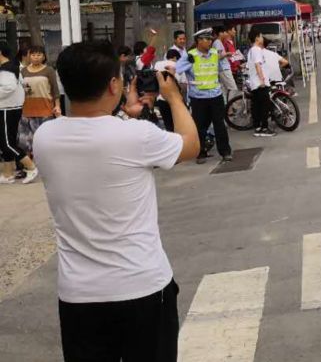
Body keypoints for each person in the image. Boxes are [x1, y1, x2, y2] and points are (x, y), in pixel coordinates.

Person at [33, 40, 200, 361]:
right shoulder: (136, 135)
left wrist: (124, 111)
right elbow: (190, 145)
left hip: (78, 295)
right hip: (142, 287)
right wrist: (174, 98)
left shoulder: (45, 138)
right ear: (113, 85)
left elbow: (93, 131)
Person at [175, 28, 232, 164]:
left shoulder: (213, 53)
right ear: (199, 41)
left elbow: (216, 69)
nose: (210, 42)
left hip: (215, 95)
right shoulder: (190, 56)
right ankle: (200, 152)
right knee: (200, 126)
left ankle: (225, 152)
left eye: (210, 39)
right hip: (199, 98)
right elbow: (176, 69)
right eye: (207, 39)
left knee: (220, 125)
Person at [0, 43, 37, 184]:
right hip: (11, 108)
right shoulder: (13, 67)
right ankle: (8, 174)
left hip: (6, 109)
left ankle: (31, 167)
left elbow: (8, 88)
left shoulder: (6, 69)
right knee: (6, 142)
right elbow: (22, 87)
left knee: (7, 143)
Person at [20, 44, 61, 159]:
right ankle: (30, 166)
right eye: (33, 54)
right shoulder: (23, 71)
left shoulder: (49, 70)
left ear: (43, 56)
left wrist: (57, 106)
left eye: (39, 54)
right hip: (27, 110)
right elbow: (20, 89)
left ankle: (45, 163)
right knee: (25, 142)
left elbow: (55, 91)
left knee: (45, 140)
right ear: (29, 56)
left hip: (45, 110)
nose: (36, 57)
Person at [246, 30, 276, 138]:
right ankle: (264, 128)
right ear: (257, 38)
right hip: (259, 83)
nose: (262, 38)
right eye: (261, 36)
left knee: (257, 106)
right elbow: (258, 65)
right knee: (264, 106)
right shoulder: (256, 50)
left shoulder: (251, 51)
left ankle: (258, 127)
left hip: (255, 83)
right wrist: (262, 79)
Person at [212, 25, 239, 100]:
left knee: (223, 90)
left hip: (223, 68)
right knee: (233, 88)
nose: (226, 34)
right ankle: (231, 105)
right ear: (220, 33)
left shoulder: (219, 42)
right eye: (224, 32)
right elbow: (218, 56)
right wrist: (227, 54)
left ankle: (225, 107)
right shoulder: (217, 42)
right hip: (224, 68)